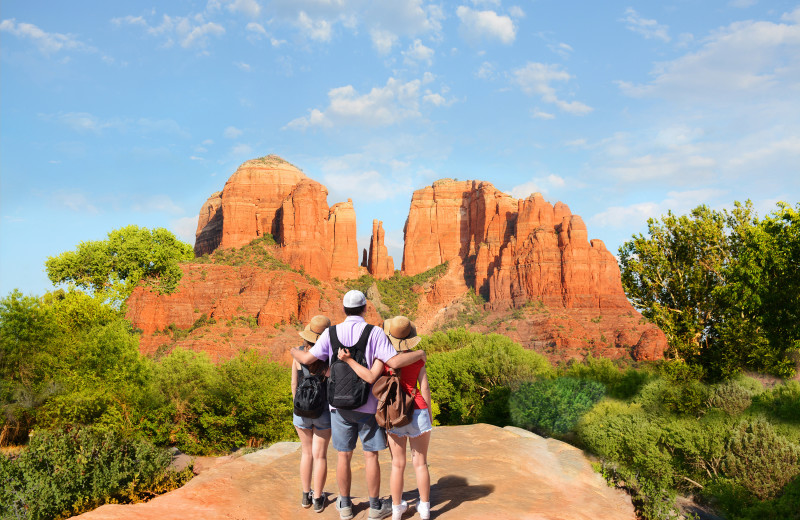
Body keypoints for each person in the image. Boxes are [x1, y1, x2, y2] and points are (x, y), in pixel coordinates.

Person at [290, 290, 426, 520]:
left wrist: (294, 350)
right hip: (369, 405)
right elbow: (393, 361)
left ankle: (344, 506)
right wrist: (421, 353)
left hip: (338, 407)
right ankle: (374, 507)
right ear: (365, 308)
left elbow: (306, 360)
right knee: (371, 456)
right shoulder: (374, 332)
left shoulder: (331, 333)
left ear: (343, 310)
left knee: (343, 456)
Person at [338, 316, 432, 520]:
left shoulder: (382, 359)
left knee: (398, 464)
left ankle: (397, 509)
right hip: (418, 409)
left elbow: (370, 377)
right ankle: (424, 508)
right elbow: (424, 388)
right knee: (421, 463)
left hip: (393, 413)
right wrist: (429, 415)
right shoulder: (418, 357)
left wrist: (348, 360)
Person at [292, 314, 333, 513]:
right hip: (323, 411)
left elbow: (294, 384)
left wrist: (299, 405)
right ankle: (318, 498)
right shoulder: (329, 356)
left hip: (301, 411)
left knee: (306, 453)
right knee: (320, 456)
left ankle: (305, 495)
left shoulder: (299, 353)